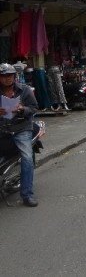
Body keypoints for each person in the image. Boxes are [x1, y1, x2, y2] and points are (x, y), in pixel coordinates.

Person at [0, 63, 39, 207]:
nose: (6, 79)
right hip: (3, 129)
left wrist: (22, 109)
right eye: (3, 76)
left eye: (9, 76)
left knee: (27, 158)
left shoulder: (25, 90)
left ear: (14, 76)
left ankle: (27, 194)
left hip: (21, 128)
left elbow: (34, 108)